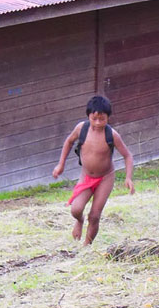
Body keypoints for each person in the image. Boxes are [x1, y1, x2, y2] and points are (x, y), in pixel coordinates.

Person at [52, 94, 135, 245]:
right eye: (94, 118)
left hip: (105, 178)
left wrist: (128, 177)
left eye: (102, 119)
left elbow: (127, 156)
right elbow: (69, 142)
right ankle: (80, 221)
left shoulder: (112, 135)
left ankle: (86, 246)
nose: (97, 123)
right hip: (86, 177)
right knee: (75, 210)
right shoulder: (81, 129)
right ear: (88, 116)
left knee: (95, 216)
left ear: (108, 118)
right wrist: (61, 164)